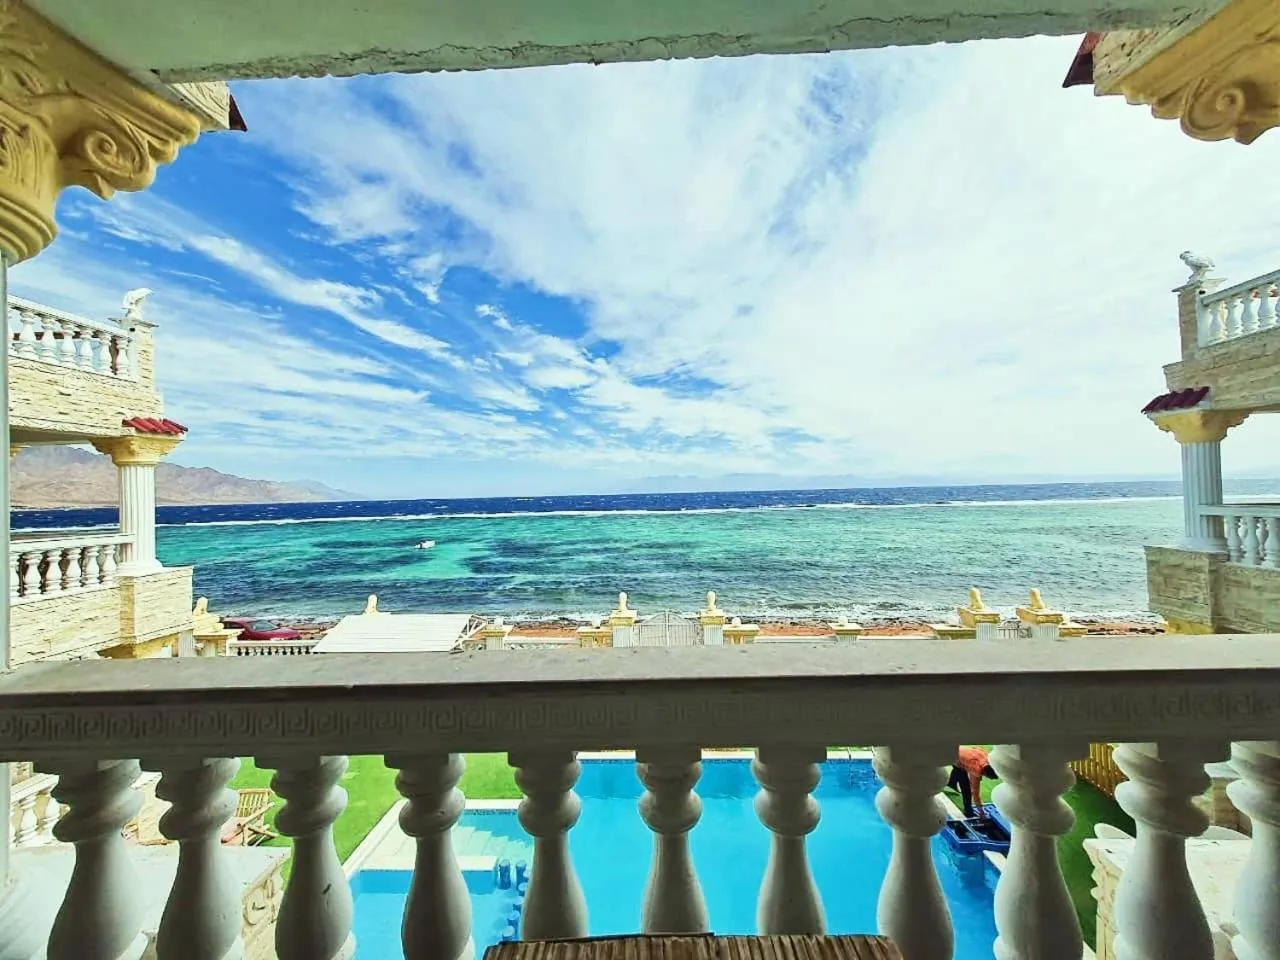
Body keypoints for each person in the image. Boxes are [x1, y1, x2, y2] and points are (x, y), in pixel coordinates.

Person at [949, 745, 999, 819]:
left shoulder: (987, 758)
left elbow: (977, 747)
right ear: (986, 774)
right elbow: (975, 793)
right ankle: (968, 812)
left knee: (959, 770)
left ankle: (951, 783)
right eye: (990, 778)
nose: (990, 779)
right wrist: (982, 812)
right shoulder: (976, 769)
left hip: (960, 750)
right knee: (966, 790)